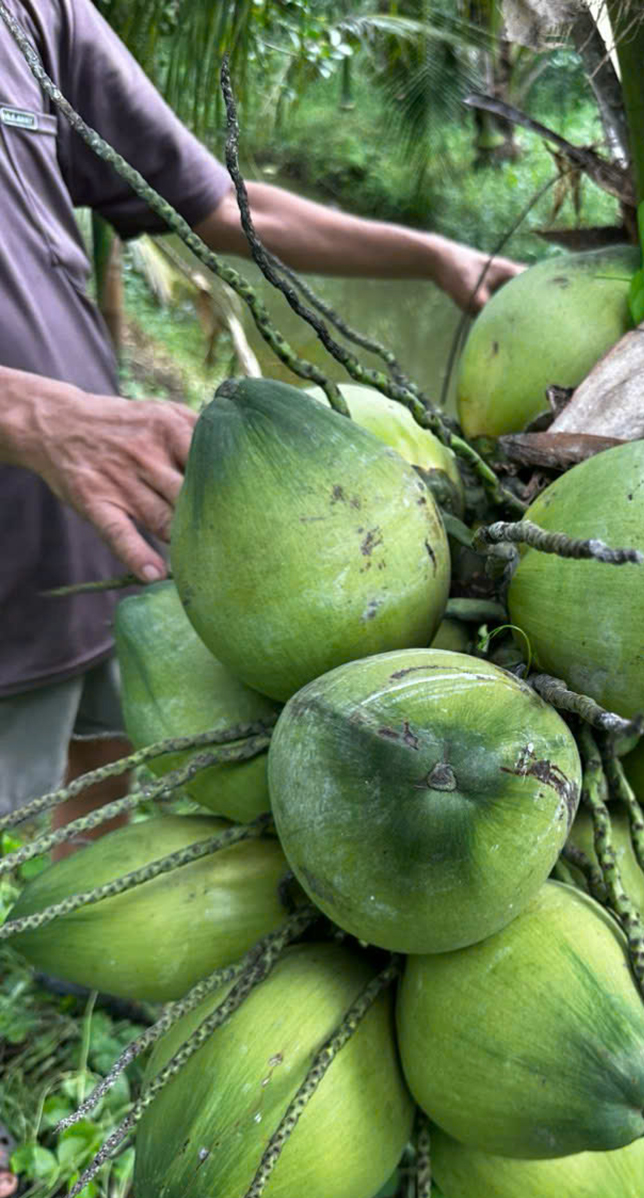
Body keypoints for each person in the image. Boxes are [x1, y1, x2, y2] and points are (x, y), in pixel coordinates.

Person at [0, 0, 520, 849]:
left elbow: (213, 201)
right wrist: (26, 412)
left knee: (97, 758)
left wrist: (429, 256)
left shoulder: (35, 17)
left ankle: (78, 956)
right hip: (20, 521)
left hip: (105, 502)